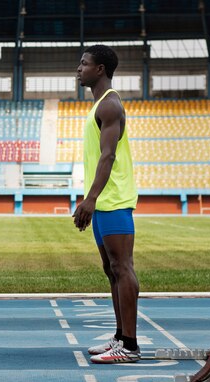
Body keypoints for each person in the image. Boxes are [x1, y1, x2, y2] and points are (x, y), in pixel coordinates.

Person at [72, 45, 140, 363]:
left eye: (84, 64)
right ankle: (119, 337)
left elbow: (108, 156)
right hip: (103, 203)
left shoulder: (110, 104)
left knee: (122, 268)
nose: (78, 68)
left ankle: (129, 345)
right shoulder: (100, 105)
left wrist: (91, 198)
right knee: (110, 270)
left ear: (100, 69)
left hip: (113, 201)